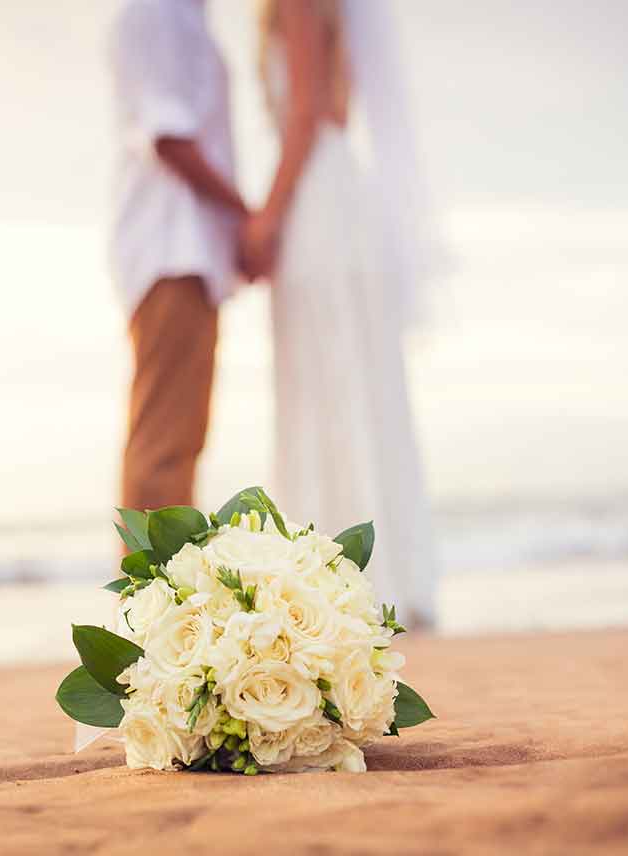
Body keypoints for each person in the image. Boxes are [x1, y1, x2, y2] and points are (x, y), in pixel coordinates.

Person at [243, 0, 439, 626]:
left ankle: (336, 588)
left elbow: (307, 115)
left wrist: (266, 219)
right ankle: (379, 578)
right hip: (337, 198)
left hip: (317, 207)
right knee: (352, 385)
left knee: (323, 387)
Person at [108, 0, 249, 515]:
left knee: (179, 442)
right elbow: (167, 136)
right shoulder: (157, 11)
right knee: (164, 446)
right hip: (172, 247)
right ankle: (149, 595)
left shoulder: (183, 14)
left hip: (188, 249)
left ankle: (163, 592)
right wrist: (246, 219)